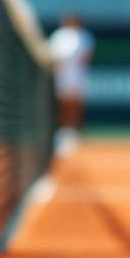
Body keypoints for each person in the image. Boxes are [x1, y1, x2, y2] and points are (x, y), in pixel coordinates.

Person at [47, 12, 94, 156]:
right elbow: (51, 56)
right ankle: (61, 134)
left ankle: (73, 134)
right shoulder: (58, 36)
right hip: (61, 77)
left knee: (76, 105)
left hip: (77, 77)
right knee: (61, 104)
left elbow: (86, 57)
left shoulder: (85, 37)